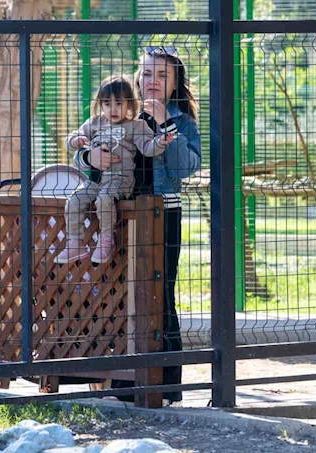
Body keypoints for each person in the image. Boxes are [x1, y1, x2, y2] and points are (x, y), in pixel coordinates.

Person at [73, 46, 201, 404]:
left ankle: (164, 384)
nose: (153, 82)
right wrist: (88, 156)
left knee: (160, 294)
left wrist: (165, 125)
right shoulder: (120, 111)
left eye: (162, 76)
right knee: (119, 292)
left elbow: (185, 168)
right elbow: (83, 149)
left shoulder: (181, 119)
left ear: (175, 83)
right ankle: (122, 383)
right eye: (147, 74)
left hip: (161, 214)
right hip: (116, 211)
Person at [56, 75, 175, 265]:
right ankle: (75, 242)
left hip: (120, 180)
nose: (113, 109)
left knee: (104, 199)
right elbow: (72, 138)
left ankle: (106, 241)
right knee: (75, 200)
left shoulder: (136, 126)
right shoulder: (94, 123)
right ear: (100, 104)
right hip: (95, 180)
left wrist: (161, 141)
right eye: (107, 103)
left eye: (119, 103)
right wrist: (76, 141)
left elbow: (148, 147)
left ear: (129, 104)